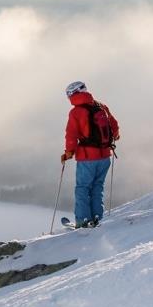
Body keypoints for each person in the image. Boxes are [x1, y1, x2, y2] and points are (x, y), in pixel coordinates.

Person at [61, 81, 120, 227]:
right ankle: (97, 217)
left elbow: (71, 135)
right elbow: (114, 125)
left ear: (72, 95)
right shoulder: (101, 106)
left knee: (83, 188)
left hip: (87, 158)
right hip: (105, 156)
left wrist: (68, 153)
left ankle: (83, 220)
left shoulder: (76, 112)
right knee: (97, 186)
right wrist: (115, 136)